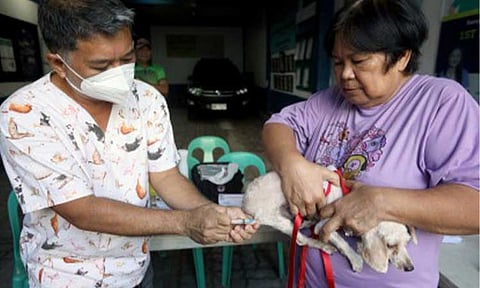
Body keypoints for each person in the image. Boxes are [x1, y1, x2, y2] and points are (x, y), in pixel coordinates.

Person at [0, 0, 258, 287]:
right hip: (64, 276)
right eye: (101, 65)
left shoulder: (147, 100)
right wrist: (185, 223)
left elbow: (166, 175)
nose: (120, 73)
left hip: (136, 269)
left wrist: (209, 211)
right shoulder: (25, 114)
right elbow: (80, 208)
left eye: (127, 59)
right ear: (59, 63)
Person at [262, 0, 479, 287]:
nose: (345, 75)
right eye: (338, 62)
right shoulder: (329, 100)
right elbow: (277, 125)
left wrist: (380, 202)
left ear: (402, 56)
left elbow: (474, 205)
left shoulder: (440, 103)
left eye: (359, 61)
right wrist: (292, 164)